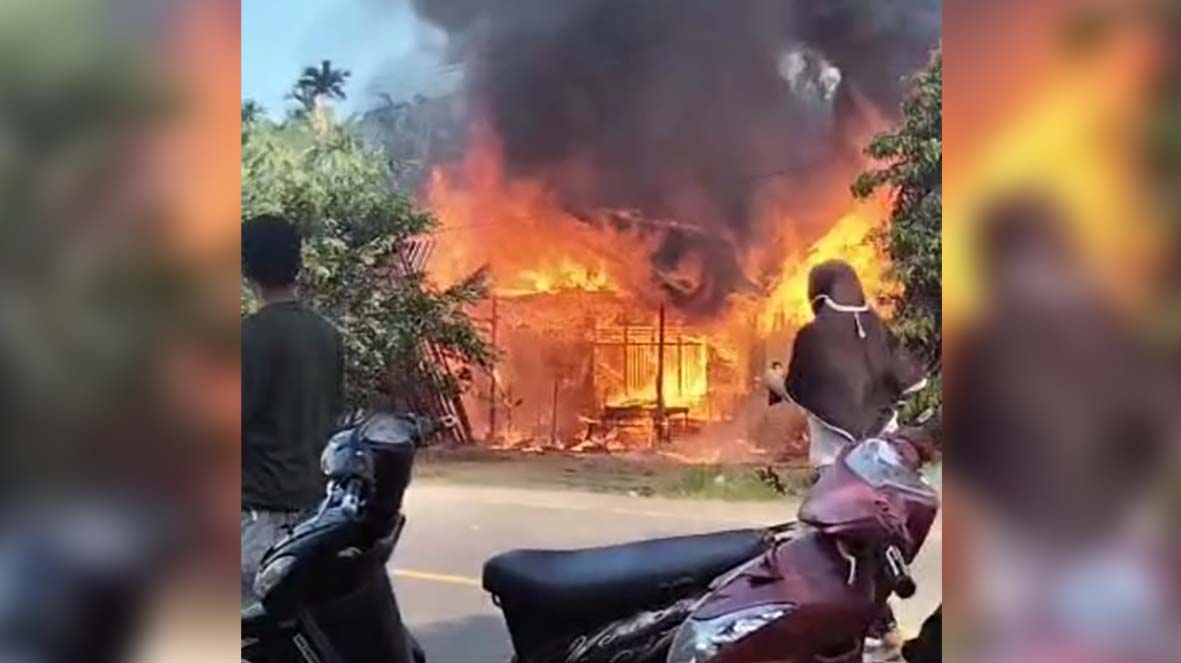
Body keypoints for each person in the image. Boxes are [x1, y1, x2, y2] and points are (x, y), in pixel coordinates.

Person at [241, 216, 344, 604]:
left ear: (245, 268)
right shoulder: (327, 335)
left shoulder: (247, 339)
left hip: (257, 522)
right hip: (314, 521)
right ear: (297, 265)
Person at [781, 259, 926, 474]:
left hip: (833, 460)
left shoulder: (812, 336)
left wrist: (773, 380)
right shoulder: (877, 329)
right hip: (884, 454)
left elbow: (798, 389)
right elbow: (912, 381)